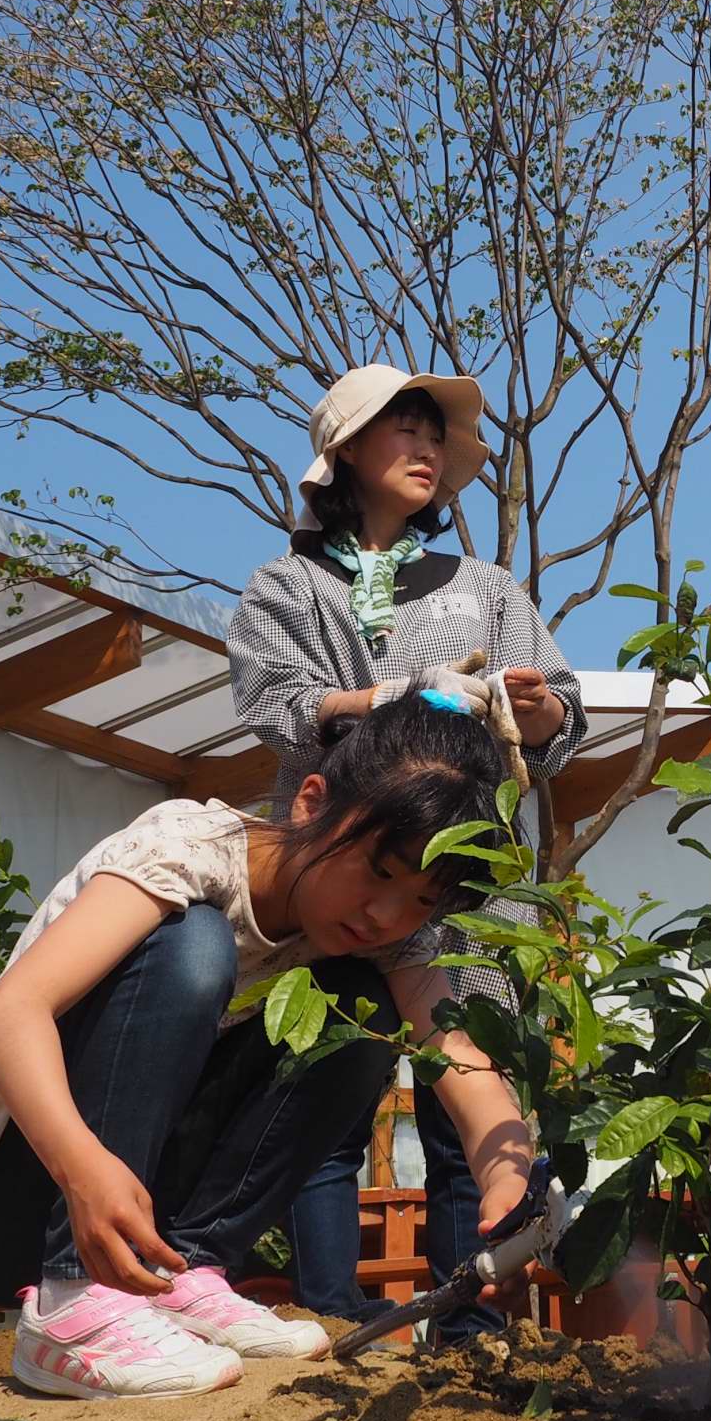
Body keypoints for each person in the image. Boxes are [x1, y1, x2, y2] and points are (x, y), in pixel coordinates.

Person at [0, 694, 533, 1400]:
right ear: (310, 802)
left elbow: (461, 1062)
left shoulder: (386, 943)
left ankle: (185, 1273)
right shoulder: (189, 849)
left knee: (364, 1010)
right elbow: (11, 1012)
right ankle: (71, 1302)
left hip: (135, 1224)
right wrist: (82, 1165)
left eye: (422, 900)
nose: (387, 914)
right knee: (192, 948)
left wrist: (508, 1177)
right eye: (379, 871)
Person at [226, 362, 588, 1340]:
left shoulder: (487, 587)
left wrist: (542, 705)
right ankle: (330, 1313)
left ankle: (463, 1319)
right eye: (404, 428)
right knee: (330, 1094)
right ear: (345, 451)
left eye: (437, 433)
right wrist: (389, 695)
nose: (427, 447)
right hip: (341, 862)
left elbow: (559, 709)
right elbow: (273, 698)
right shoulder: (287, 586)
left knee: (458, 1096)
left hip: (459, 874)